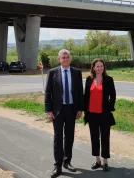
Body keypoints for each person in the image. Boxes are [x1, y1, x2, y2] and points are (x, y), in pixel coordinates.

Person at [45, 49, 83, 178]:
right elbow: (47, 93)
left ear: (70, 58)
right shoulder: (52, 72)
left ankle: (67, 162)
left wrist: (80, 109)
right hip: (58, 111)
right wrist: (48, 111)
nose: (66, 59)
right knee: (58, 138)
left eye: (67, 57)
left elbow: (79, 93)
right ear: (59, 59)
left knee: (69, 137)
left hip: (72, 109)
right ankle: (58, 165)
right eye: (63, 57)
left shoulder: (77, 73)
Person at [84, 58, 116, 172]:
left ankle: (105, 161)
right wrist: (84, 110)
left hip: (104, 114)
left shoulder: (108, 79)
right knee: (94, 137)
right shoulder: (89, 79)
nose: (99, 68)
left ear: (104, 67)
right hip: (92, 114)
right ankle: (97, 160)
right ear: (93, 67)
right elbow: (86, 96)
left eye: (101, 66)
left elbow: (113, 95)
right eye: (97, 66)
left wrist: (110, 108)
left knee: (105, 137)